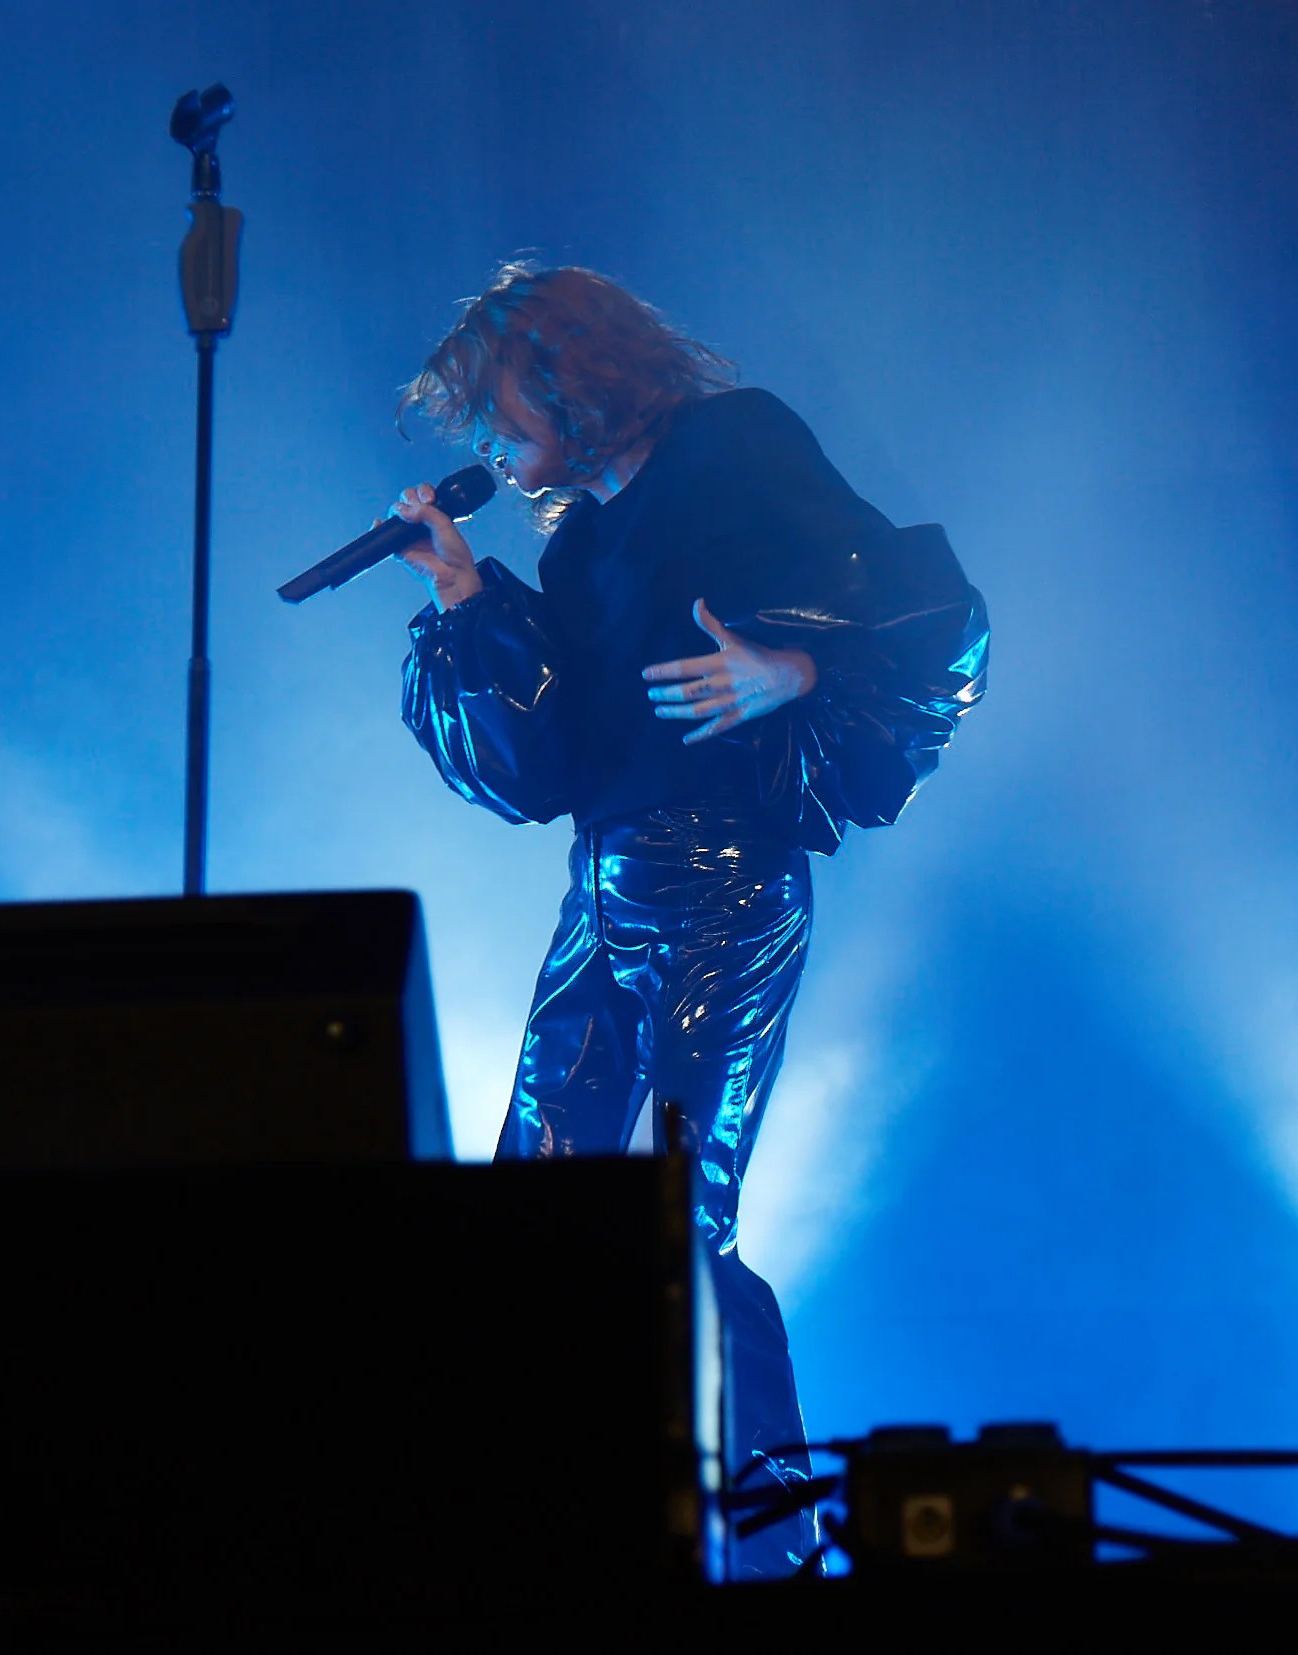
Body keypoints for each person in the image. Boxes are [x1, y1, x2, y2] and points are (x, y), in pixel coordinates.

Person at [388, 263, 987, 1576]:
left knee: (674, 1221)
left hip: (720, 881)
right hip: (601, 889)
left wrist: (799, 667)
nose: (485, 442)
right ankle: (564, 1525)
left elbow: (937, 617)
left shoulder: (732, 446)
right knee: (541, 1216)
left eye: (494, 408)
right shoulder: (582, 540)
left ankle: (776, 1548)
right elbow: (539, 768)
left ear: (567, 376)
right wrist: (464, 597)